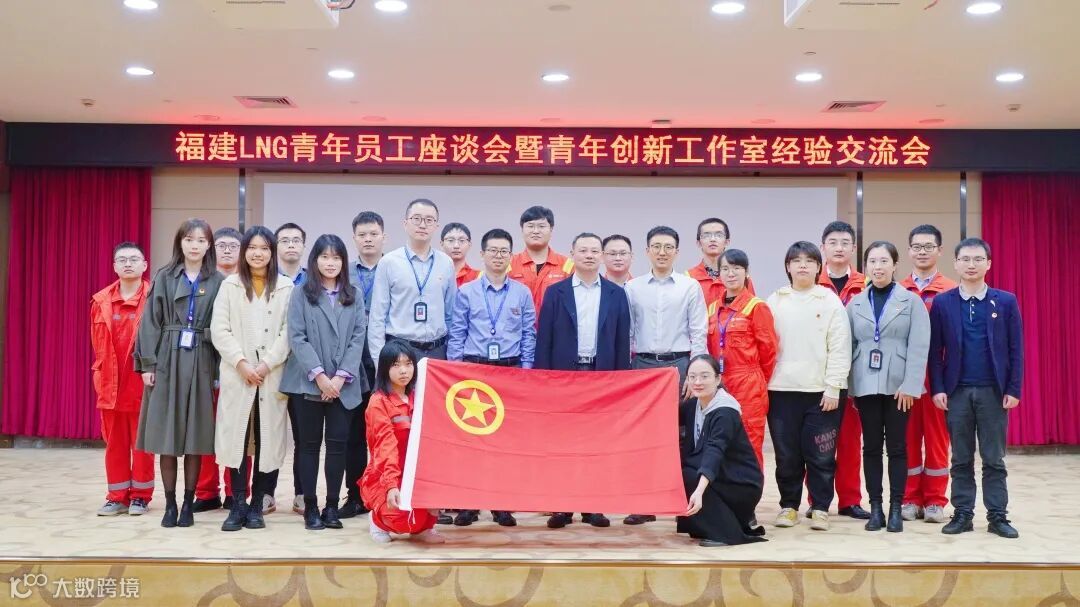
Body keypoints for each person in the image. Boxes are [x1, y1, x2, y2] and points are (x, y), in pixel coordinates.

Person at [536, 232, 631, 529]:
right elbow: (544, 340)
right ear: (572, 254)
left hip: (601, 377)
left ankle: (593, 507)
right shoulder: (556, 292)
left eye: (594, 251)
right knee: (562, 444)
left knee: (597, 444)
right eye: (583, 250)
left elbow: (621, 343)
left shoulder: (616, 294)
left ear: (601, 255)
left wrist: (620, 384)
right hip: (564, 377)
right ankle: (562, 507)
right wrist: (543, 381)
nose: (589, 255)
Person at [930, 238, 1023, 539]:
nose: (971, 265)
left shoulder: (1005, 301)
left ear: (988, 264)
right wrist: (938, 388)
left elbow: (1015, 349)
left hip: (993, 392)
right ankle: (962, 514)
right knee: (960, 458)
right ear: (956, 263)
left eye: (978, 259)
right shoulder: (943, 303)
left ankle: (997, 516)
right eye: (965, 259)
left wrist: (1014, 388)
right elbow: (935, 351)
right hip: (956, 392)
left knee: (994, 459)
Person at [135, 218, 224, 528]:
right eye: (188, 239)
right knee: (168, 435)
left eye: (200, 240)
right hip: (167, 358)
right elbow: (150, 322)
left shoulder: (219, 281)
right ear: (180, 243)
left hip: (202, 358)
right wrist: (147, 364)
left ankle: (189, 503)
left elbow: (223, 326)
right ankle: (170, 504)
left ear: (209, 245)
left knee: (195, 434)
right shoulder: (165, 276)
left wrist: (218, 365)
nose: (194, 245)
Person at [447, 228, 536, 527]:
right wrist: (455, 373)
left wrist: (525, 372)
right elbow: (457, 334)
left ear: (511, 256)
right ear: (482, 254)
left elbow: (529, 335)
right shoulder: (466, 291)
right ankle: (469, 504)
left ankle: (501, 504)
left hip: (509, 372)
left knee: (505, 443)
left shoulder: (522, 293)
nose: (498, 256)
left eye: (504, 251)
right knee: (470, 441)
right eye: (493, 251)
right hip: (474, 372)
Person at [280, 234, 369, 530]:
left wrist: (340, 377)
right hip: (308, 382)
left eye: (336, 257)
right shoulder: (301, 293)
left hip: (345, 383)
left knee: (337, 446)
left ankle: (331, 506)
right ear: (315, 260)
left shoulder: (354, 293)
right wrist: (319, 375)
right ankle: (310, 507)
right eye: (324, 257)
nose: (330, 263)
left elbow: (358, 337)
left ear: (343, 261)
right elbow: (297, 337)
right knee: (308, 446)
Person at [622, 226, 707, 526]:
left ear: (677, 252)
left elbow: (698, 332)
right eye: (656, 246)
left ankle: (681, 501)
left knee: (682, 435)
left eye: (668, 247)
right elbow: (628, 331)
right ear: (647, 251)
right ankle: (644, 503)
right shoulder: (632, 288)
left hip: (679, 366)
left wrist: (695, 374)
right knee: (642, 436)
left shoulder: (689, 287)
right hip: (642, 366)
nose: (662, 252)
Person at [210, 226, 294, 532]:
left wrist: (267, 364)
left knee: (266, 440)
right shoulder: (230, 285)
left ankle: (257, 504)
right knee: (237, 439)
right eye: (252, 248)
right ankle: (237, 504)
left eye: (264, 248)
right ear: (244, 252)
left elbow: (289, 332)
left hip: (270, 377)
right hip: (238, 375)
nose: (258, 253)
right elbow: (219, 329)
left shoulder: (285, 287)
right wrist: (242, 363)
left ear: (272, 253)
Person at [766, 241, 851, 532]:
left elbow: (840, 347)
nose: (802, 265)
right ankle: (789, 506)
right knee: (786, 455)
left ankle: (821, 507)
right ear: (787, 266)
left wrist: (834, 387)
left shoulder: (829, 301)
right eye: (796, 260)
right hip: (781, 391)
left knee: (821, 455)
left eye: (809, 261)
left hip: (821, 393)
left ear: (818, 267)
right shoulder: (775, 301)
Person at [847, 241, 930, 533]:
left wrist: (911, 385)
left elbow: (919, 346)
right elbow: (848, 346)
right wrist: (850, 387)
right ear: (866, 266)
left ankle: (896, 507)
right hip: (866, 384)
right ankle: (876, 508)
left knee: (897, 447)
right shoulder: (855, 303)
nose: (878, 267)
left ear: (895, 265)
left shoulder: (911, 302)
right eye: (872, 261)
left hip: (899, 387)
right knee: (870, 447)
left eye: (884, 261)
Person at [361, 341, 446, 544]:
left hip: (417, 471)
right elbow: (385, 447)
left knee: (427, 514)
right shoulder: (378, 402)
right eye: (396, 365)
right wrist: (391, 485)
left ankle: (423, 527)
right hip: (388, 471)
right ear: (384, 368)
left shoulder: (420, 397)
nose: (403, 371)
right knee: (399, 518)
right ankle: (377, 520)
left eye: (408, 364)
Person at [678, 355, 768, 547]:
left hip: (740, 483)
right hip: (721, 476)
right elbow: (666, 418)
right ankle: (707, 524)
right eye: (692, 377)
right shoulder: (694, 405)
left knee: (689, 476)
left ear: (718, 379)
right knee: (682, 469)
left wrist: (699, 491)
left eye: (704, 376)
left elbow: (715, 451)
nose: (697, 382)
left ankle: (723, 533)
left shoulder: (725, 411)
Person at [92, 242, 154, 517]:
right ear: (114, 266)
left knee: (142, 445)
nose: (128, 264)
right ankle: (116, 496)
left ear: (145, 265)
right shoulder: (100, 301)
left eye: (134, 259)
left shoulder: (154, 298)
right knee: (114, 444)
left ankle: (141, 496)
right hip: (110, 383)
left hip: (142, 382)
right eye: (122, 260)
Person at [900, 224, 957, 524]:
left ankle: (935, 500)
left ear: (940, 250)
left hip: (938, 382)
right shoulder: (898, 290)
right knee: (907, 440)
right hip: (905, 382)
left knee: (937, 441)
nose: (922, 252)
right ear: (909, 251)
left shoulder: (952, 290)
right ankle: (910, 498)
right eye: (917, 247)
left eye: (929, 246)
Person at [815, 220, 870, 520]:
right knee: (818, 442)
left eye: (845, 242)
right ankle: (817, 501)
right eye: (832, 242)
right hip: (817, 376)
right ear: (822, 247)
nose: (839, 248)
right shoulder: (811, 282)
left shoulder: (866, 284)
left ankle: (850, 500)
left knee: (850, 442)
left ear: (853, 248)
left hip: (856, 377)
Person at [194, 227, 249, 514]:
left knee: (239, 430)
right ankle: (206, 492)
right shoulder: (201, 281)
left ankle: (235, 492)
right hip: (204, 363)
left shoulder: (248, 282)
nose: (227, 250)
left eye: (233, 246)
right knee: (205, 429)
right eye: (221, 245)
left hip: (239, 364)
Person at [706, 249, 777, 470]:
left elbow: (769, 352)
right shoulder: (712, 308)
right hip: (719, 384)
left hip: (748, 384)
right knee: (720, 442)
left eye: (736, 268)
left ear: (747, 272)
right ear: (719, 274)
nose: (731, 273)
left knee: (749, 443)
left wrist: (757, 381)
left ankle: (750, 491)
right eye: (725, 269)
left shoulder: (756, 306)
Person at [368, 198, 457, 365]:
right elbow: (377, 318)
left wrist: (452, 355)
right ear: (405, 223)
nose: (423, 225)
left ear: (436, 226)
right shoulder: (389, 262)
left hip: (437, 351)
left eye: (429, 220)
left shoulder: (446, 263)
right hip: (400, 351)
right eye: (417, 219)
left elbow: (451, 315)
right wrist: (379, 361)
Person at [340, 211, 387, 519]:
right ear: (354, 238)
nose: (368, 239)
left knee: (386, 432)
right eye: (362, 235)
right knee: (353, 432)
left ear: (384, 236)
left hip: (386, 360)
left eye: (374, 234)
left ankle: (385, 493)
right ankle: (355, 495)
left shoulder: (394, 267)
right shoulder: (343, 272)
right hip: (353, 363)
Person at [263, 222, 308, 516]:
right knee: (270, 433)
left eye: (296, 240)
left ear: (303, 246)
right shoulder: (266, 279)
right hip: (272, 368)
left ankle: (302, 494)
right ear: (276, 246)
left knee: (304, 437)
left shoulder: (314, 280)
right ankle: (266, 493)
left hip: (304, 370)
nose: (291, 245)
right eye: (284, 240)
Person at [508, 206, 573, 314]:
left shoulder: (568, 266)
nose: (536, 231)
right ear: (522, 230)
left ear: (551, 229)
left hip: (554, 324)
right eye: (530, 226)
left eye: (541, 226)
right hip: (518, 324)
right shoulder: (509, 264)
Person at [441, 222, 480, 287]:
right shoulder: (432, 275)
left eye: (462, 240)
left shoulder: (479, 277)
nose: (456, 246)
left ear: (469, 245)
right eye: (451, 240)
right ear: (442, 244)